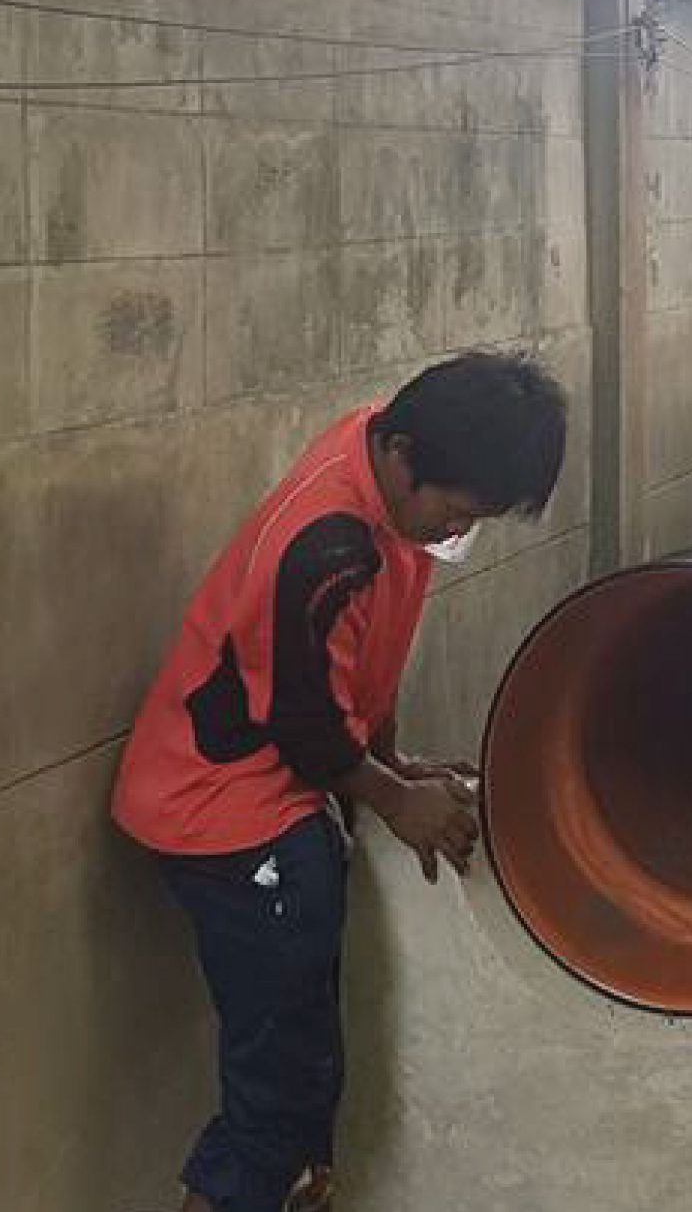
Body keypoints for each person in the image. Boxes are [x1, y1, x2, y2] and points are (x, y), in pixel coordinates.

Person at [113, 352, 569, 1212]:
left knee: (307, 1066)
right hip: (223, 809)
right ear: (402, 454)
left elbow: (356, 665)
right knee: (276, 1100)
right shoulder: (328, 542)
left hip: (277, 790)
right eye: (454, 511)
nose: (451, 532)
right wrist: (393, 800)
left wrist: (394, 763)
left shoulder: (389, 476)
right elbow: (301, 720)